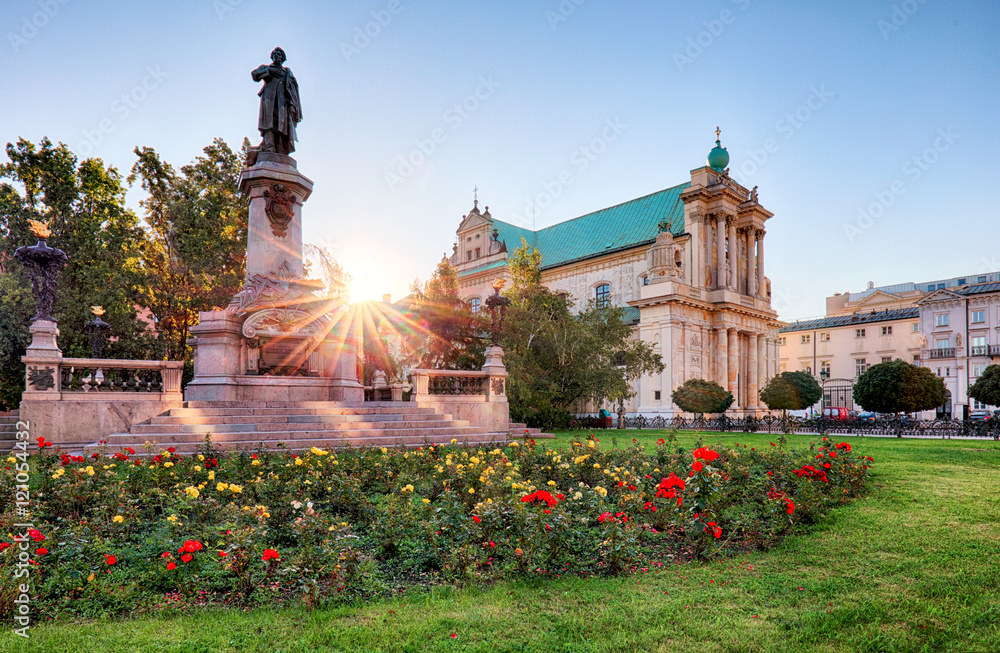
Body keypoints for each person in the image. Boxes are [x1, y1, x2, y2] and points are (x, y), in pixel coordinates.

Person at [252, 47, 302, 155]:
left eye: (279, 54)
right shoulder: (266, 68)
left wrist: (293, 105)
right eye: (274, 54)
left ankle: (281, 148)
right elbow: (254, 75)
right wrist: (267, 71)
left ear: (283, 58)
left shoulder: (287, 72)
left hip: (282, 102)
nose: (276, 56)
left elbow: (293, 89)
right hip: (268, 100)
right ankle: (270, 147)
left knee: (282, 125)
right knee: (268, 124)